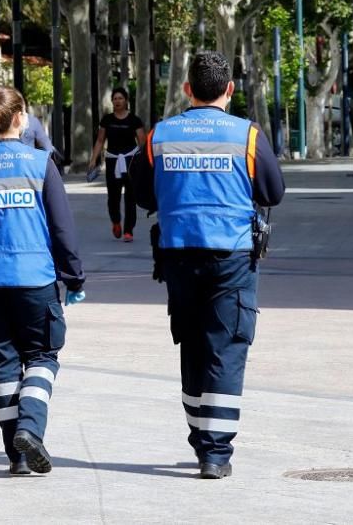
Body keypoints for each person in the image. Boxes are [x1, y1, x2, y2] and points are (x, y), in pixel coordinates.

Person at [130, 51, 285, 480]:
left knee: (194, 343)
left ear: (187, 89)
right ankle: (215, 453)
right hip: (232, 256)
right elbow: (273, 192)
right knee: (227, 345)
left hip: (178, 254)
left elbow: (142, 195)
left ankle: (201, 438)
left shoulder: (159, 136)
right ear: (230, 89)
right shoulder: (247, 136)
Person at [0, 86, 86, 476]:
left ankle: (18, 456)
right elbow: (62, 230)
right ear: (19, 119)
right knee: (42, 357)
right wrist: (74, 279)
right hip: (33, 281)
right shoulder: (40, 164)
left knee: (3, 368)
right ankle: (30, 428)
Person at [88, 87, 145, 242]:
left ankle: (128, 231)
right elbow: (100, 140)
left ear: (126, 100)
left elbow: (142, 142)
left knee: (130, 197)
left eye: (120, 98)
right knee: (113, 197)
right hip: (112, 160)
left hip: (130, 160)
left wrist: (143, 161)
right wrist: (93, 159)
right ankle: (116, 221)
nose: (117, 101)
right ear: (112, 101)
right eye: (115, 98)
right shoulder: (107, 120)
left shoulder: (134, 120)